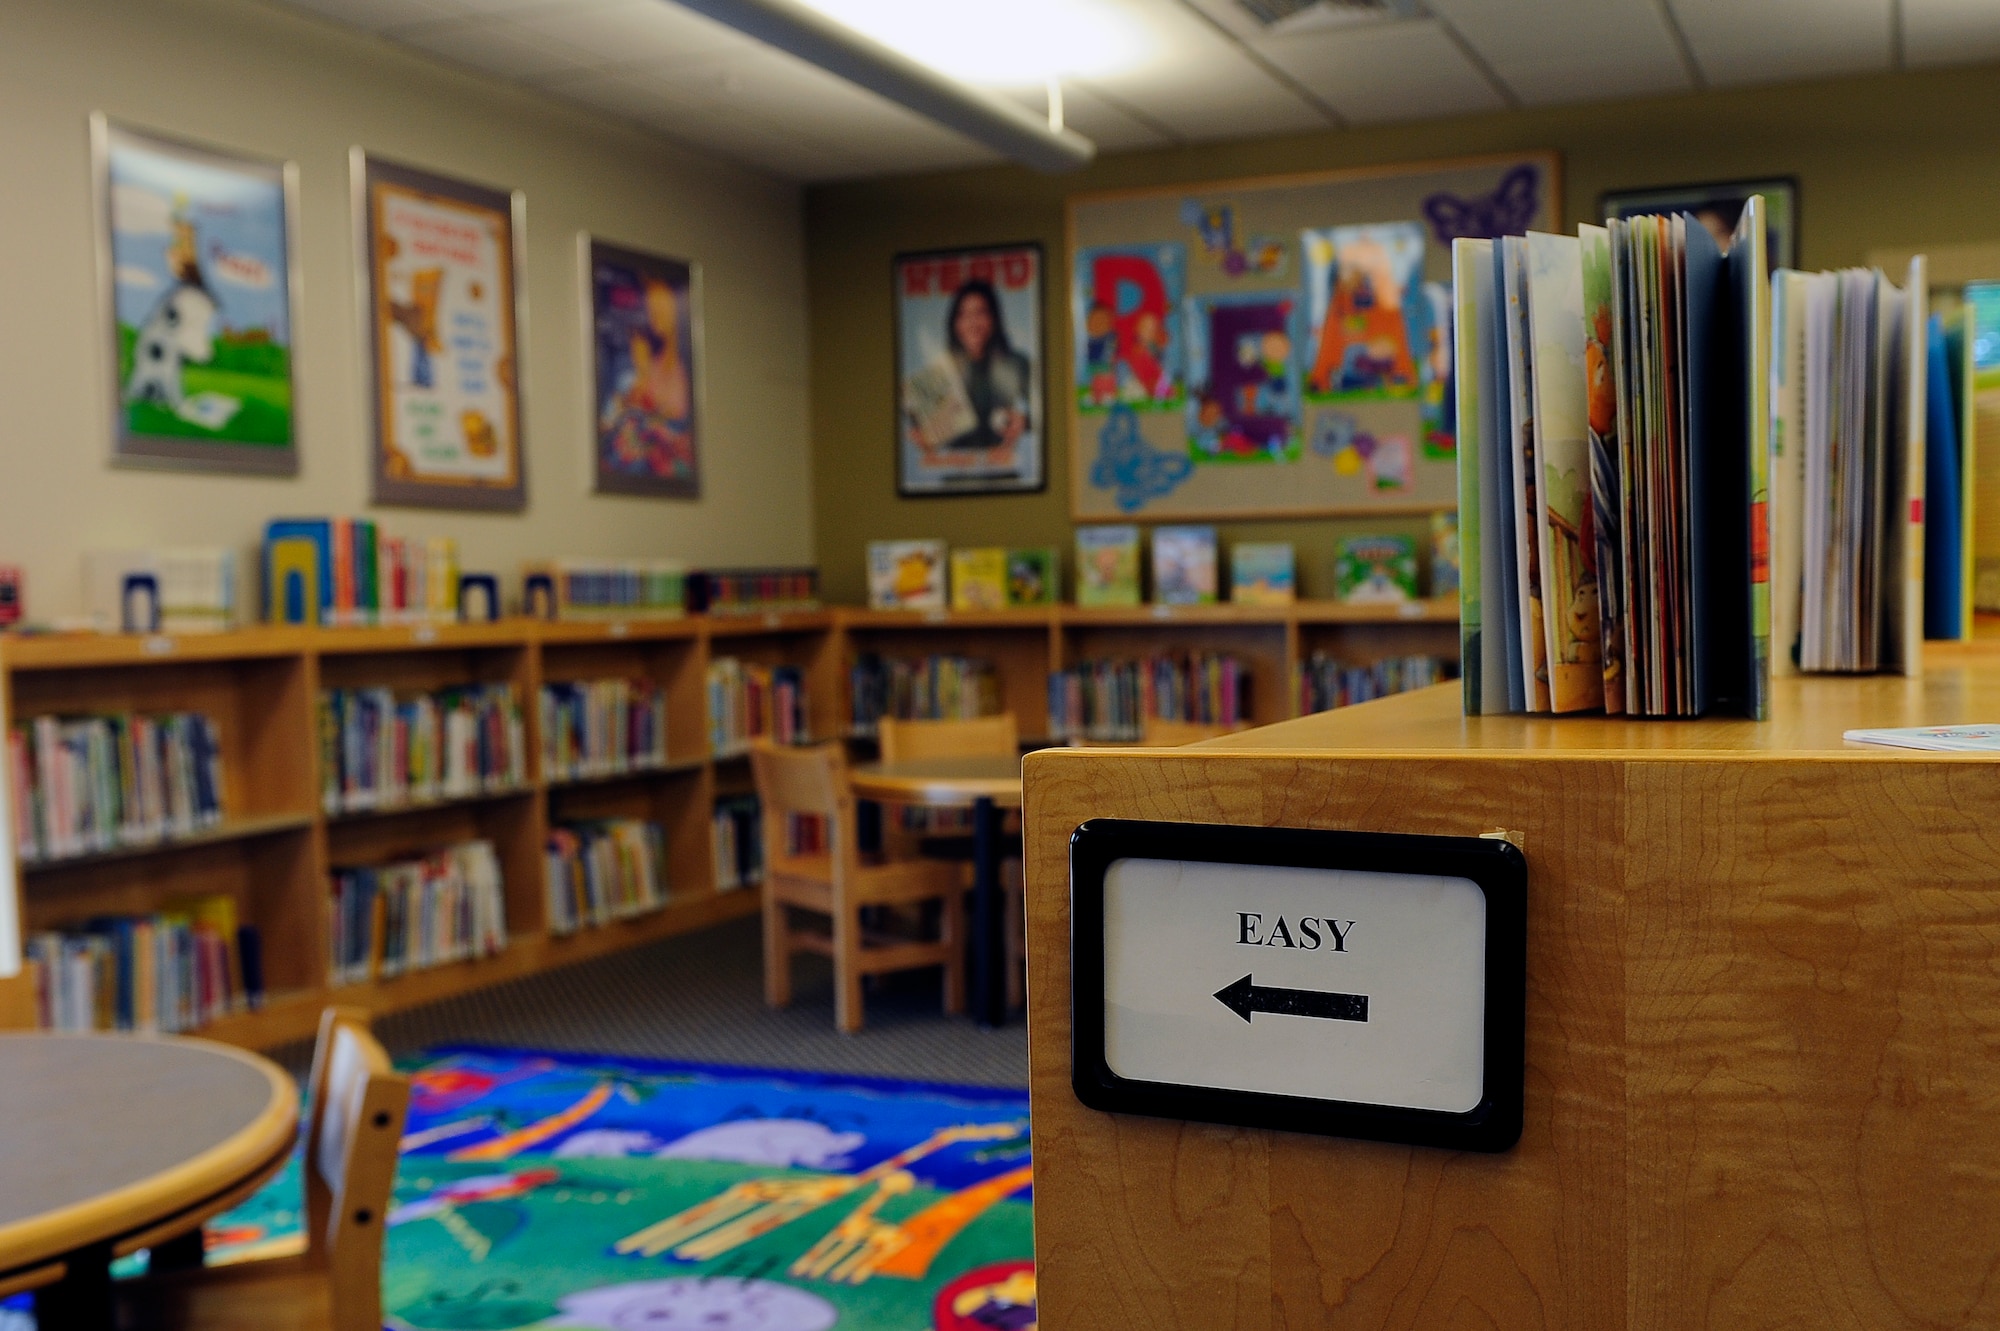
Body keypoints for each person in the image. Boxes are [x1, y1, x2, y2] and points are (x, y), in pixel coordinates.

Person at [938, 280, 1031, 452]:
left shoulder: (1017, 364)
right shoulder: (943, 371)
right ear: (955, 323)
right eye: (964, 315)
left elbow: (1045, 412)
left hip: (1004, 469)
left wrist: (1024, 421)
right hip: (957, 471)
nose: (972, 323)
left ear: (993, 318)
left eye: (980, 313)